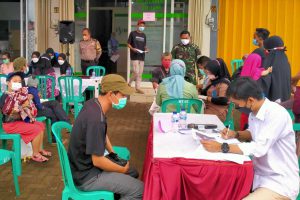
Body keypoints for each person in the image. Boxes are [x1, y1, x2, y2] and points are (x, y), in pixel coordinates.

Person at [201, 77, 299, 200]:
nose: (237, 107)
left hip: (279, 182)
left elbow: (259, 148)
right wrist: (235, 134)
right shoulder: (255, 112)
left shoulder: (276, 114)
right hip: (259, 176)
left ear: (250, 100)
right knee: (221, 186)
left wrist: (222, 147)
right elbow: (254, 133)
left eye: (237, 104)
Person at [68, 74, 143, 199]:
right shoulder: (96, 119)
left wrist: (113, 153)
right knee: (140, 190)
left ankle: (117, 194)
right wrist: (121, 170)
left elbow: (103, 134)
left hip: (82, 168)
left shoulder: (94, 104)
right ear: (110, 94)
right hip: (87, 176)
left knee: (133, 172)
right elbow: (98, 161)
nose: (125, 98)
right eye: (122, 95)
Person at [0, 72, 51, 162]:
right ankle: (35, 154)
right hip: (10, 124)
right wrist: (19, 108)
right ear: (8, 83)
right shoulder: (6, 95)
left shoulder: (20, 94)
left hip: (19, 122)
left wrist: (28, 103)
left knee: (40, 125)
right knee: (36, 129)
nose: (17, 83)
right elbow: (6, 112)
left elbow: (25, 109)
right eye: (14, 81)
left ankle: (39, 149)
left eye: (19, 81)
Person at [27, 76, 70, 142]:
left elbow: (36, 100)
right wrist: (41, 106)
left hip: (35, 106)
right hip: (33, 109)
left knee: (54, 103)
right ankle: (56, 139)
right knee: (54, 112)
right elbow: (37, 103)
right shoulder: (32, 90)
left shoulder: (30, 88)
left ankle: (66, 122)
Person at [239, 53, 272, 130]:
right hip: (253, 101)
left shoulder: (244, 70)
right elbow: (263, 73)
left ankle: (242, 131)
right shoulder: (256, 70)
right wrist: (268, 70)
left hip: (244, 100)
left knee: (244, 117)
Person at [259, 35, 291, 103]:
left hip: (273, 103)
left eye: (266, 50)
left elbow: (264, 84)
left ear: (270, 50)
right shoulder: (285, 60)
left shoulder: (271, 60)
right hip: (286, 101)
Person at [127, 19, 148, 94]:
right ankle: (129, 83)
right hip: (134, 55)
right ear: (137, 26)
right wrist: (133, 49)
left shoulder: (144, 35)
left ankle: (138, 88)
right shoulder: (132, 33)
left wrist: (146, 49)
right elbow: (128, 44)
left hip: (142, 55)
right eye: (140, 25)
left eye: (143, 26)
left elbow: (145, 45)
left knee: (140, 73)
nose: (142, 27)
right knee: (136, 72)